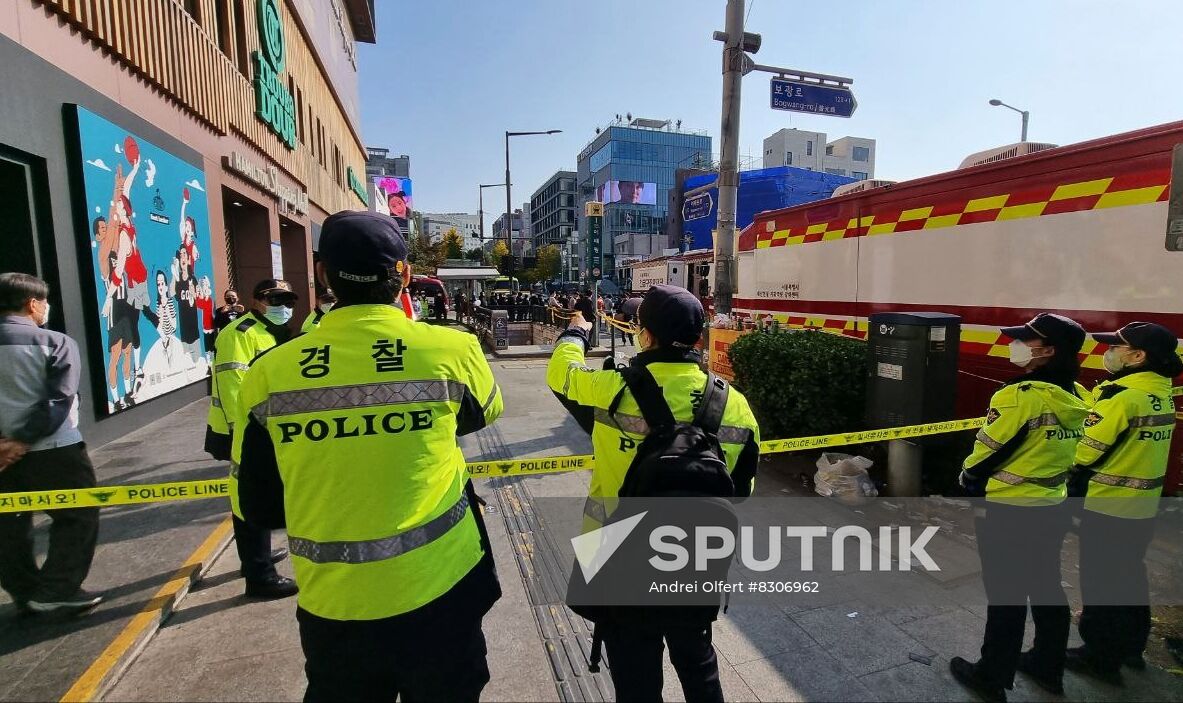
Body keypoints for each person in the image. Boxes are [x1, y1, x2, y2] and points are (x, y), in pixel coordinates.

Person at [234, 211, 503, 702]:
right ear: (403, 274)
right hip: (441, 588)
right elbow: (479, 415)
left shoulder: (268, 373)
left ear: (321, 275)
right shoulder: (453, 349)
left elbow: (259, 507)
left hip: (334, 603)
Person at [546, 284, 760, 702]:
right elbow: (741, 489)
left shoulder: (611, 387)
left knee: (634, 671)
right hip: (694, 553)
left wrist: (575, 332)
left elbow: (561, 375)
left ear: (643, 334)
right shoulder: (734, 404)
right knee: (697, 661)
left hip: (614, 551)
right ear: (699, 337)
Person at [950, 313, 1090, 700]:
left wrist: (967, 476)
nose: (1016, 345)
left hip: (1009, 510)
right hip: (1052, 504)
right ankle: (1049, 667)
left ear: (1046, 351)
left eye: (1025, 341)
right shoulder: (1079, 394)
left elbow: (986, 453)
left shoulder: (1017, 396)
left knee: (1006, 595)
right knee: (1046, 585)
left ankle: (991, 677)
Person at [1065, 322, 1182, 684]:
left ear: (1138, 355)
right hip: (1142, 504)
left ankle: (1100, 657)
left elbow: (1084, 451)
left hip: (1108, 505)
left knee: (1102, 582)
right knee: (1130, 576)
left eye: (1117, 346)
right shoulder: (1160, 392)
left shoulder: (1122, 396)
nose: (1109, 352)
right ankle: (1131, 646)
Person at [0, 273, 103, 614]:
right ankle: (56, 589)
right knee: (77, 515)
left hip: (3, 459)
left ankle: (24, 591)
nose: (46, 308)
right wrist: (22, 441)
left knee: (9, 525)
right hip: (56, 451)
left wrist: (6, 445)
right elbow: (58, 399)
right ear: (32, 304)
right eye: (43, 302)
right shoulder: (55, 342)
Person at [204, 279, 299, 600]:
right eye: (274, 300)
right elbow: (233, 386)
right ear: (256, 301)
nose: (281, 306)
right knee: (247, 494)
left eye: (286, 300)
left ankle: (257, 555)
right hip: (244, 430)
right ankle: (259, 574)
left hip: (261, 428)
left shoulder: (267, 332)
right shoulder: (240, 334)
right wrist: (242, 431)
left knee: (258, 491)